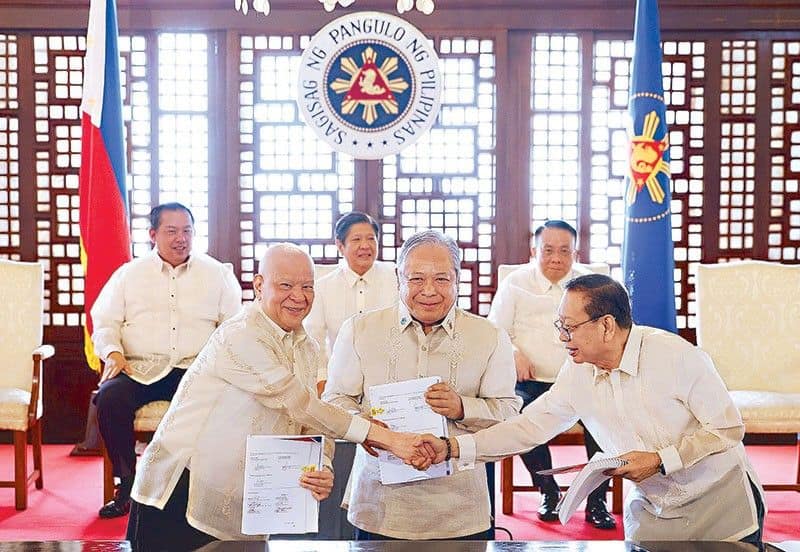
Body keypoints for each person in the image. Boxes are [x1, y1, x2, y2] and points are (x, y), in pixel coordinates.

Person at [416, 274, 766, 544]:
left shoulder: (676, 357)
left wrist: (660, 460)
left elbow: (727, 429)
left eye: (569, 327)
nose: (561, 338)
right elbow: (528, 428)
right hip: (654, 513)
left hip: (720, 505)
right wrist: (452, 448)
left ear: (606, 324)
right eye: (560, 326)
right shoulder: (577, 373)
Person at [127, 243, 429, 550]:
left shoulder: (307, 347)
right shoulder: (241, 335)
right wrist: (385, 438)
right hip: (181, 490)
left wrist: (321, 465)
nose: (298, 297)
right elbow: (299, 403)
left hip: (249, 499)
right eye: (285, 285)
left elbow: (310, 424)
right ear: (259, 285)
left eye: (307, 287)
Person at [322, 230, 520, 540]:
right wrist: (369, 428)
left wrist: (463, 407)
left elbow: (508, 415)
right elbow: (334, 400)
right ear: (399, 278)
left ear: (457, 280)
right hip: (379, 506)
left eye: (441, 279)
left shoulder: (490, 337)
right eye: (416, 279)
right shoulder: (360, 330)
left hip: (460, 510)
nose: (429, 291)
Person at [91, 202, 242, 519]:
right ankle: (128, 485)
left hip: (196, 371)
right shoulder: (129, 275)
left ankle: (201, 488)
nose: (180, 239)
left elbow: (234, 327)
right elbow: (104, 321)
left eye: (187, 231)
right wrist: (112, 352)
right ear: (152, 234)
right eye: (171, 231)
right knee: (109, 398)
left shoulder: (217, 274)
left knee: (223, 404)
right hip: (139, 368)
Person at [488, 220, 614, 529]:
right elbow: (493, 332)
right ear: (534, 251)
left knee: (608, 418)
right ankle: (548, 491)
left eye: (563, 251)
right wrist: (514, 353)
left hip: (584, 378)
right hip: (530, 381)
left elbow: (612, 331)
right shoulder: (515, 283)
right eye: (547, 251)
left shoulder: (593, 286)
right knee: (517, 416)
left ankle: (597, 501)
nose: (555, 258)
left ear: (576, 253)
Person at [306, 211, 398, 395]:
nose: (365, 246)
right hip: (340, 380)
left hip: (392, 379)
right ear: (340, 245)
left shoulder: (396, 278)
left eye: (371, 239)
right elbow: (313, 338)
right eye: (356, 239)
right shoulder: (323, 286)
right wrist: (321, 378)